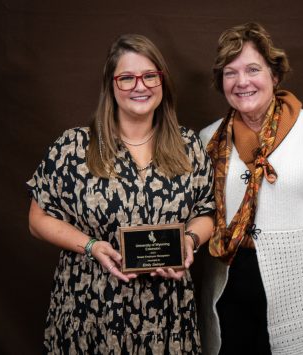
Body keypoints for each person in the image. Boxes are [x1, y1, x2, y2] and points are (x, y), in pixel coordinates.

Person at [27, 34, 215, 354]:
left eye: (149, 76)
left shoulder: (190, 147)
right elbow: (37, 219)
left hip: (165, 313)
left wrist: (190, 241)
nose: (139, 86)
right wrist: (91, 246)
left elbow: (205, 212)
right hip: (90, 308)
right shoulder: (74, 147)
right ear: (111, 85)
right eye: (126, 78)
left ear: (162, 81)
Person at [199, 22, 303, 354]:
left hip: (298, 294)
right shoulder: (208, 140)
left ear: (274, 76)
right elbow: (200, 213)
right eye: (231, 73)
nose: (242, 82)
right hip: (226, 289)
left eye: (252, 69)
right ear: (221, 82)